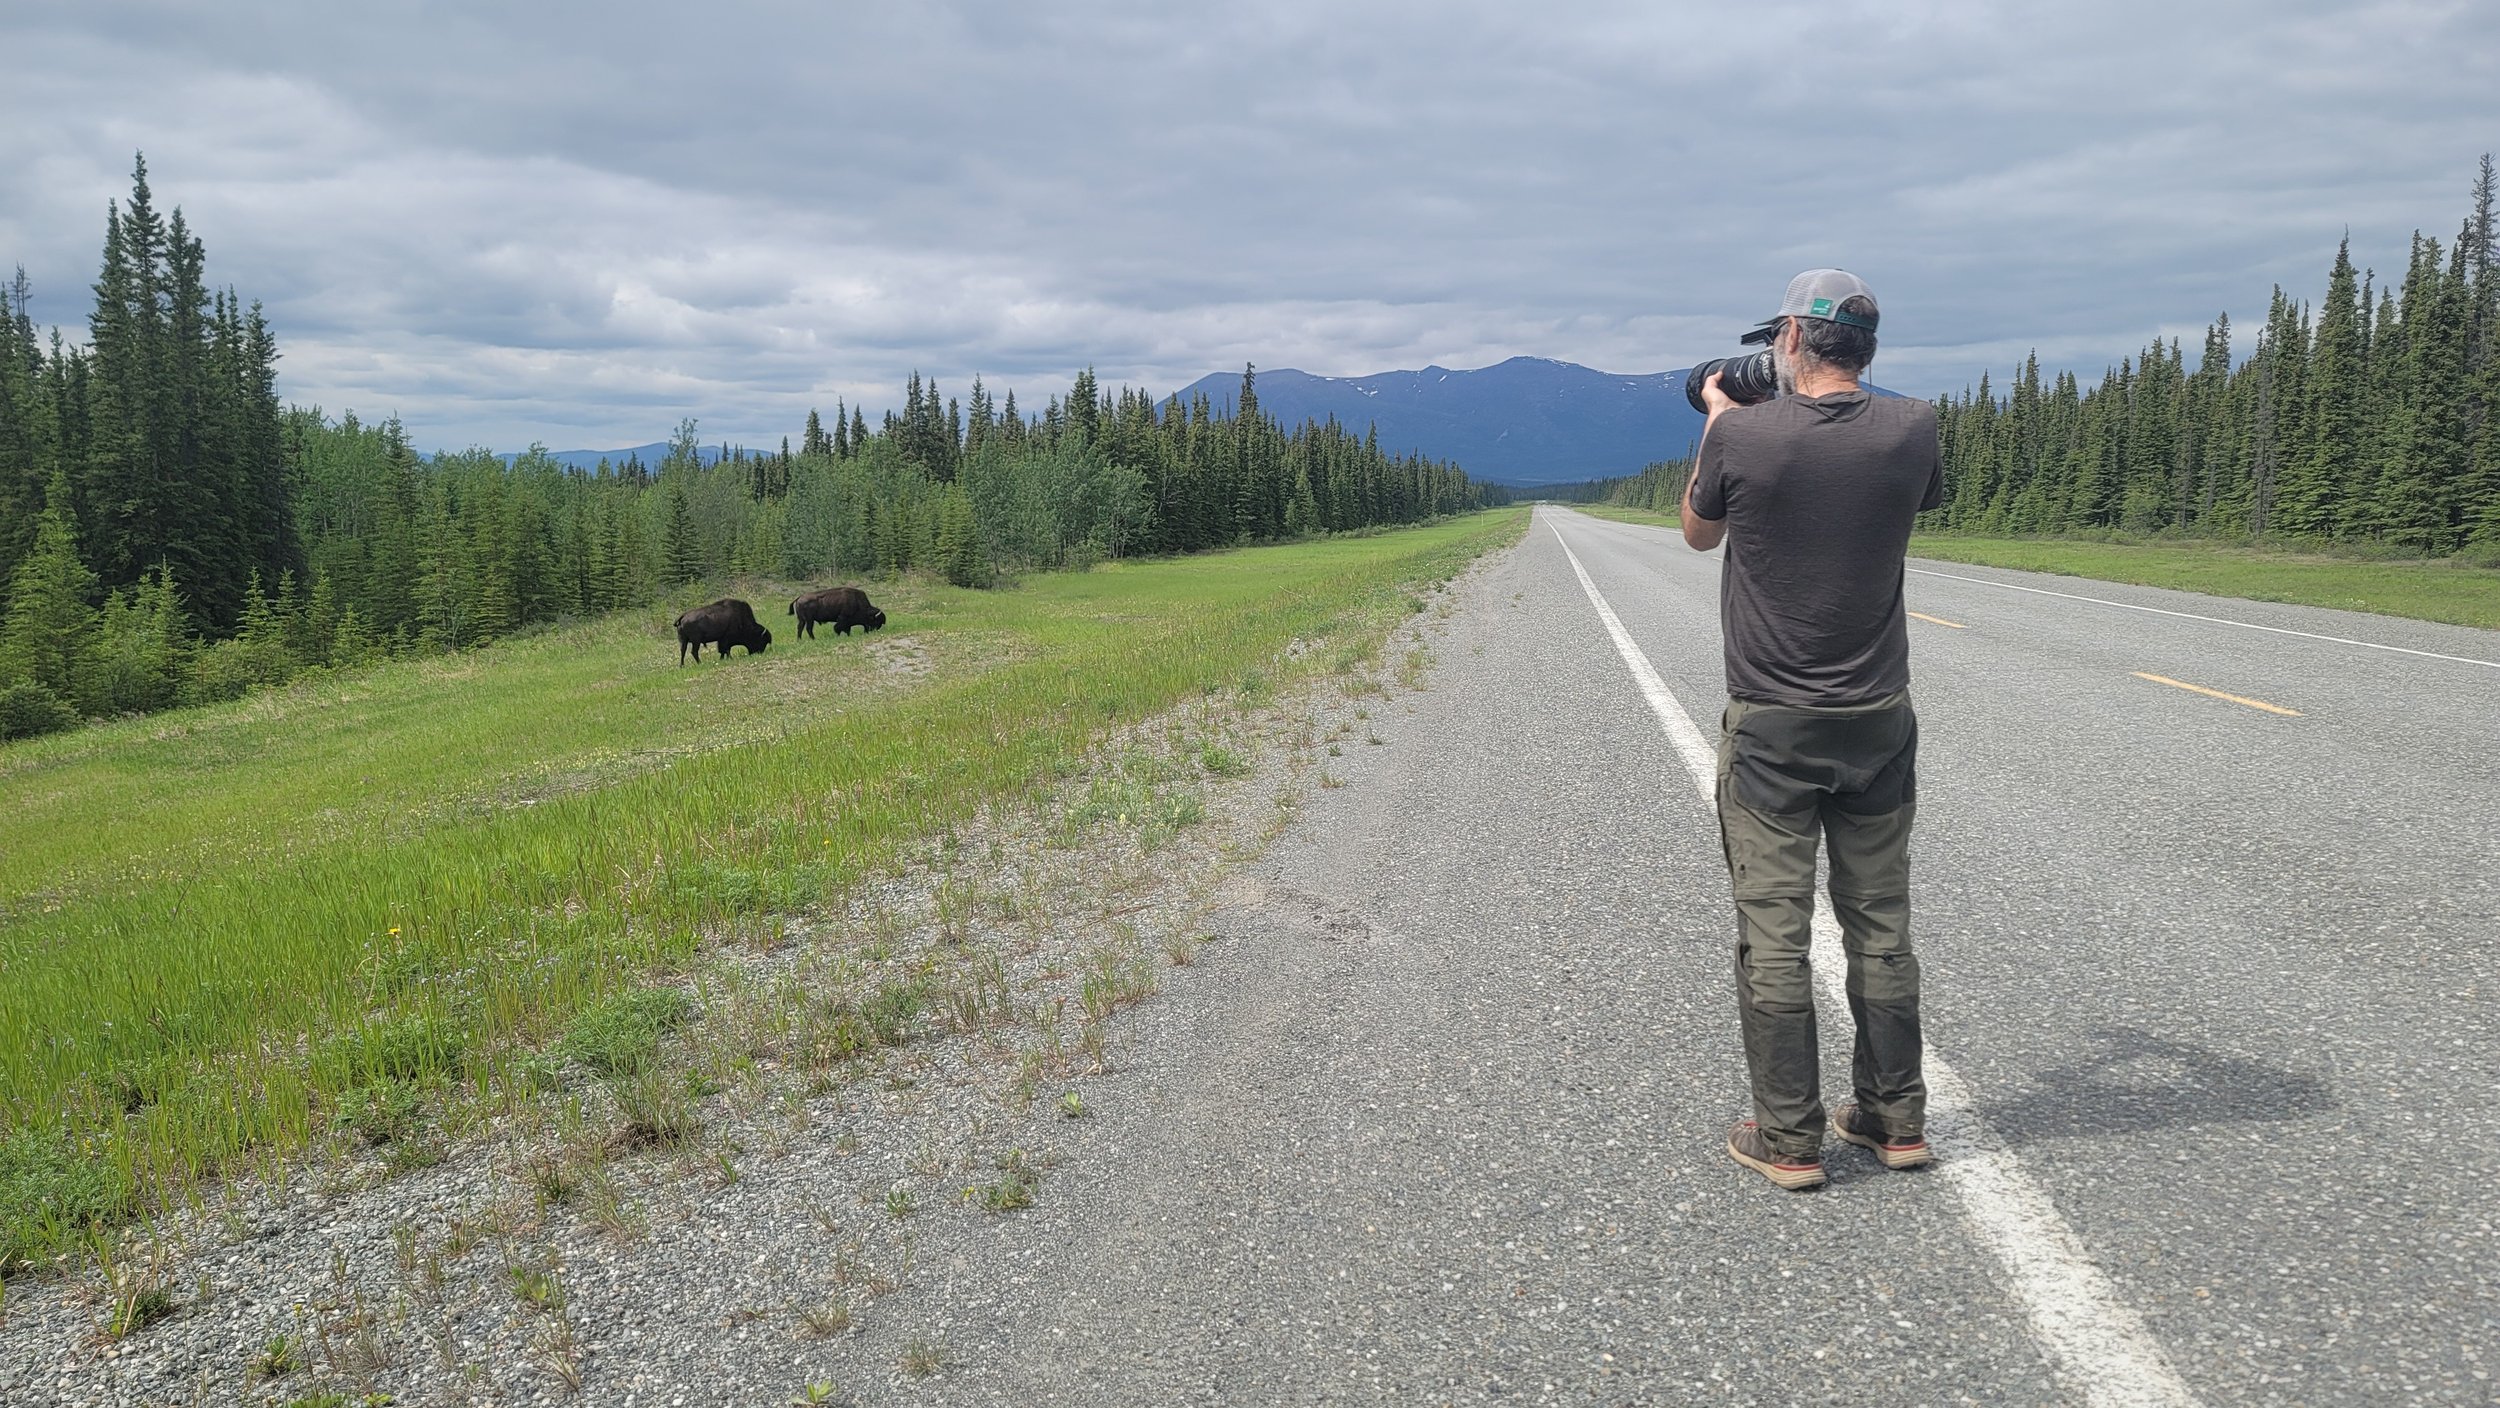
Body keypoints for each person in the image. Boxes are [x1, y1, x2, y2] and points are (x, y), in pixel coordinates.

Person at [1680, 269, 1943, 1191]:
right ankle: (1895, 1120)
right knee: (1881, 922)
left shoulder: (1741, 434)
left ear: (1792, 336)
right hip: (1878, 719)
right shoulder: (1914, 427)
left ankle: (1789, 1137)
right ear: (1866, 344)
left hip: (1774, 727)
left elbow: (1698, 534)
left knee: (1775, 931)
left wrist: (1720, 418)